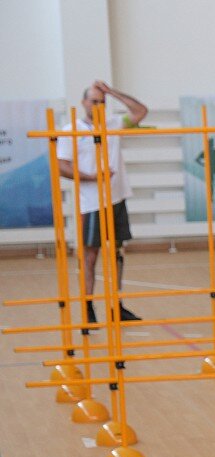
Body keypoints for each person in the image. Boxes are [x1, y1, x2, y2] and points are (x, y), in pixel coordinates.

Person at [57, 80, 148, 323]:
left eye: (102, 101)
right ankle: (88, 308)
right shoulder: (71, 131)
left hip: (117, 198)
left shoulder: (113, 124)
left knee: (117, 252)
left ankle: (116, 305)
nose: (98, 105)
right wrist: (92, 177)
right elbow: (62, 167)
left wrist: (112, 91)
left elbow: (140, 111)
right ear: (84, 102)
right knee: (90, 256)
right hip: (91, 202)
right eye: (94, 101)